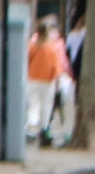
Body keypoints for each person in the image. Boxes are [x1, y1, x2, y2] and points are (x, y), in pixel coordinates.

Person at [26, 18, 70, 146]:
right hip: (47, 81)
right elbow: (56, 67)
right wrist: (56, 81)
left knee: (33, 105)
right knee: (46, 106)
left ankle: (31, 129)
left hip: (32, 78)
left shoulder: (32, 46)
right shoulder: (52, 48)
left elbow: (26, 60)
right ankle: (44, 129)